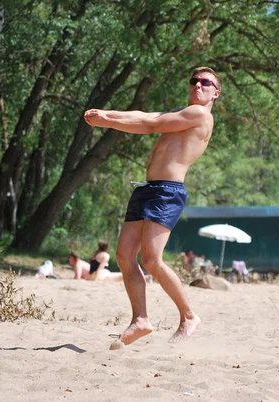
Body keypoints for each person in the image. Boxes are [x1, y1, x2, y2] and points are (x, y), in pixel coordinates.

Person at [83, 66, 221, 345]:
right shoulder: (182, 113)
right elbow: (145, 116)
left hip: (167, 192)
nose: (198, 85)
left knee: (152, 260)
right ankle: (140, 320)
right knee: (123, 256)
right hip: (148, 190)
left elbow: (150, 126)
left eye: (206, 82)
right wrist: (107, 114)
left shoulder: (198, 115)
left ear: (215, 93)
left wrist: (107, 122)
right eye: (194, 80)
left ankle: (188, 316)